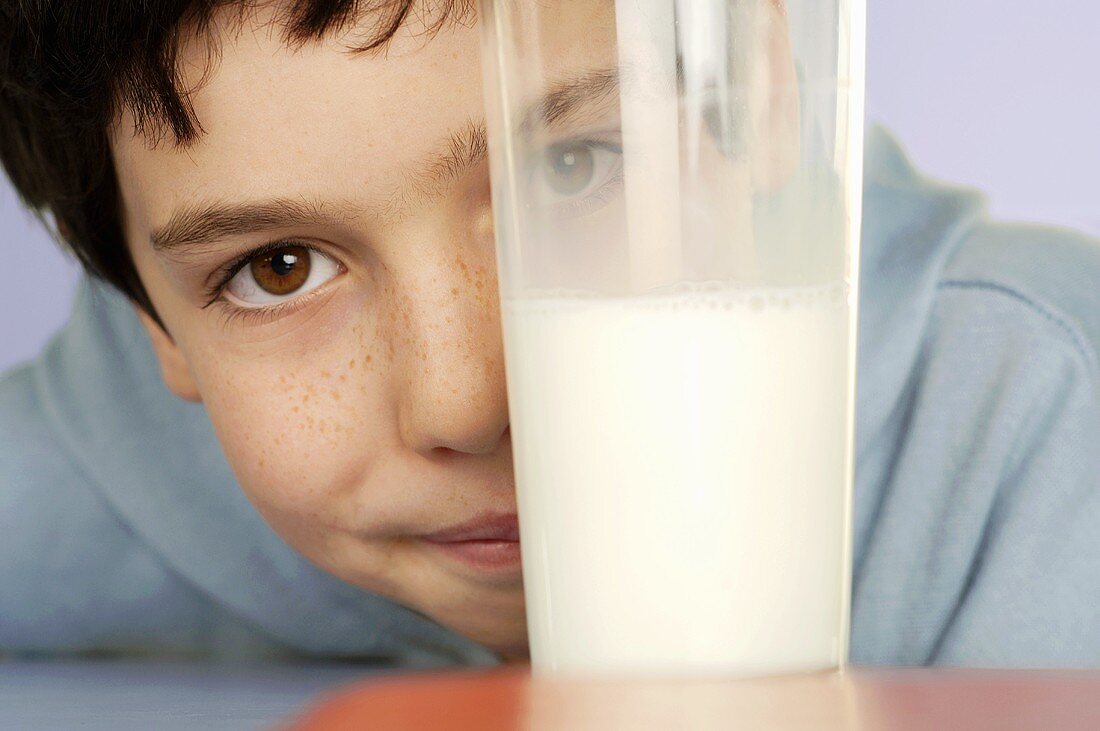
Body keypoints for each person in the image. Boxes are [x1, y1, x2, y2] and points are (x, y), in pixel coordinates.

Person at [1, 0, 1099, 667]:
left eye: (573, 167)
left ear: (760, 97)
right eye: (277, 268)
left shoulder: (1039, 420)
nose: (465, 402)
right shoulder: (142, 454)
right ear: (157, 323)